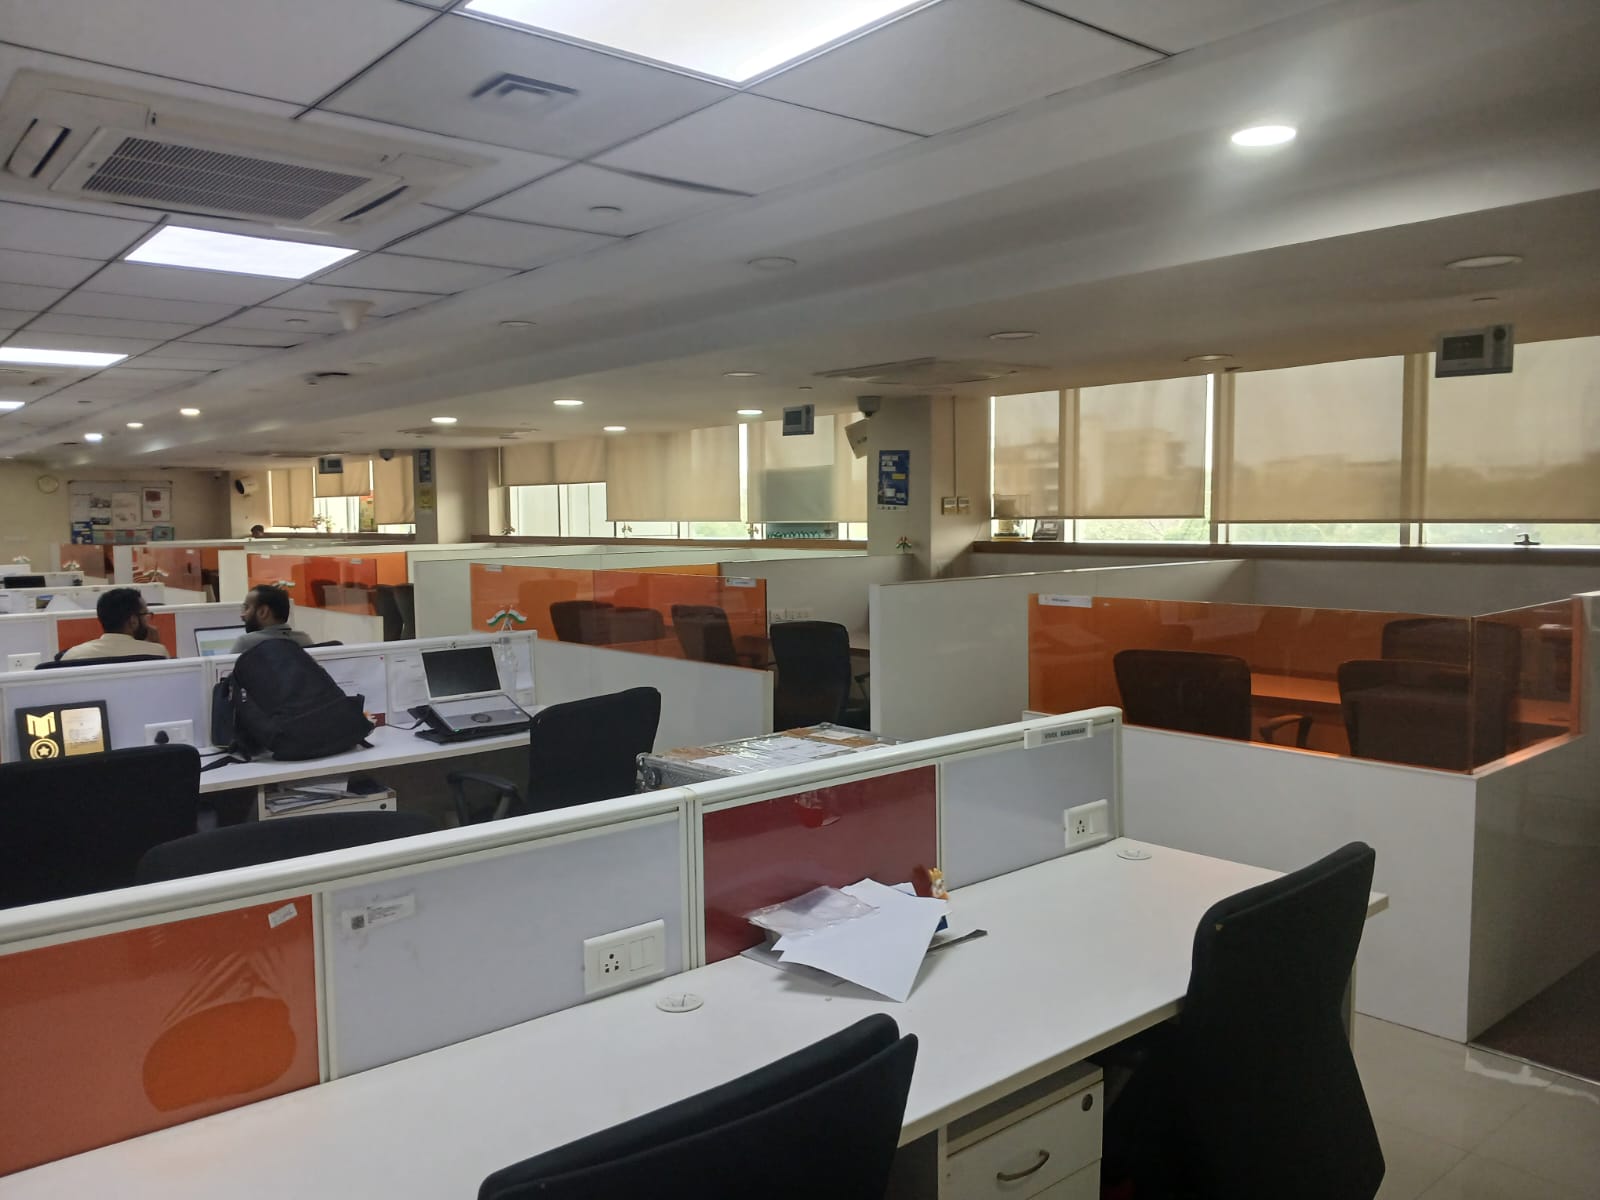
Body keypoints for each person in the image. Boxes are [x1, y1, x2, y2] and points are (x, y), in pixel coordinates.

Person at [60, 588, 172, 662]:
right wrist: (156, 646)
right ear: (133, 621)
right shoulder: (157, 654)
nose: (148, 621)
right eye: (145, 615)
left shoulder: (72, 656)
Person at [231, 584, 313, 653]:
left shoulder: (245, 643)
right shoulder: (304, 639)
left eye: (246, 608)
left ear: (263, 612)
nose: (242, 615)